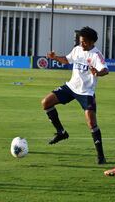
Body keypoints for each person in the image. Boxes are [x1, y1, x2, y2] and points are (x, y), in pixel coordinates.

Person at [41, 26, 109, 164]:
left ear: (91, 42)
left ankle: (101, 156)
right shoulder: (77, 49)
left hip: (86, 92)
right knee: (46, 102)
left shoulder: (96, 55)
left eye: (83, 41)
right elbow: (67, 59)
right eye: (80, 41)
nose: (81, 43)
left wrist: (97, 73)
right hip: (71, 87)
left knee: (91, 123)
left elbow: (105, 70)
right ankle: (61, 132)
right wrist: (55, 57)